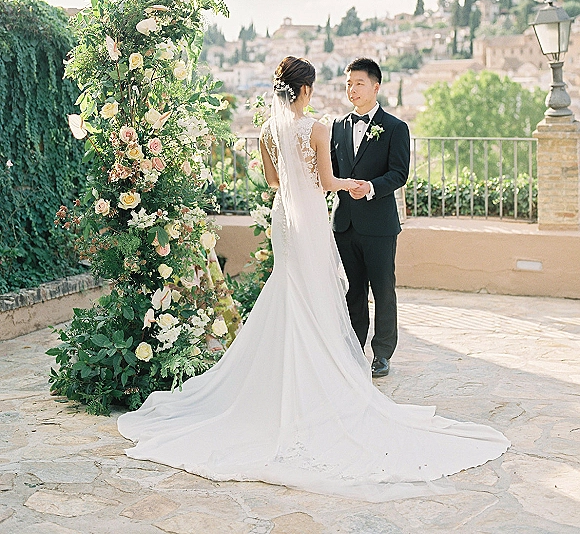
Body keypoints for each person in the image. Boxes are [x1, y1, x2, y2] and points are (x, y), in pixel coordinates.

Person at [118, 56, 509, 502]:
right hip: (314, 221)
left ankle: (292, 375)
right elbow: (326, 180)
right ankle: (322, 376)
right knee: (318, 291)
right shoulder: (320, 128)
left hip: (284, 219)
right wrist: (350, 184)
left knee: (288, 288)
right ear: (304, 90)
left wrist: (327, 184)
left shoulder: (267, 131)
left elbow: (271, 181)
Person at [331, 57, 409, 378]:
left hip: (379, 225)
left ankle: (382, 353)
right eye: (348, 84)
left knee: (382, 288)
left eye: (359, 83)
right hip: (345, 224)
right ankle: (353, 347)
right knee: (354, 290)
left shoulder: (395, 127)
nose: (352, 89)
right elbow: (333, 172)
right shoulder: (336, 126)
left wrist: (371, 187)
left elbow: (399, 173)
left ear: (376, 87)